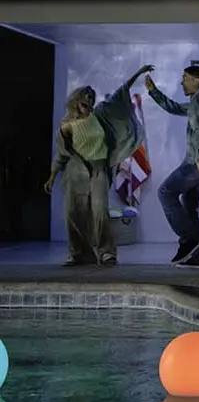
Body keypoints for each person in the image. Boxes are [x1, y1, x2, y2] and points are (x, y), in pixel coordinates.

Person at [44, 64, 153, 266]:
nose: (89, 99)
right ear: (77, 100)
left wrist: (137, 73)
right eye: (86, 96)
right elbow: (62, 153)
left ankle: (107, 253)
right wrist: (52, 175)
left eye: (92, 97)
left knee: (100, 212)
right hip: (76, 171)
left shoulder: (100, 114)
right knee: (74, 214)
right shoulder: (66, 124)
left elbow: (121, 92)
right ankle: (79, 254)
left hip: (99, 170)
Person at [144, 65, 199, 269]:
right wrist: (153, 91)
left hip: (198, 163)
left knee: (165, 192)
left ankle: (189, 241)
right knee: (189, 204)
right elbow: (174, 108)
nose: (181, 82)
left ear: (197, 80)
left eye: (185, 78)